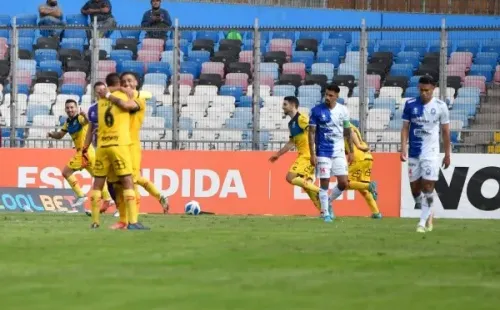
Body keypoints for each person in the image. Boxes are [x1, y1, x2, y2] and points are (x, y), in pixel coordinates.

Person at [83, 80, 145, 230]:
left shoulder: (99, 103)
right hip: (118, 145)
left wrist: (84, 148)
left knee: (97, 184)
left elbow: (92, 128)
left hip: (101, 147)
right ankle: (133, 222)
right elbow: (127, 105)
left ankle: (95, 222)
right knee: (127, 182)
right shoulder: (118, 98)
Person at [401, 76, 451, 233]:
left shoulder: (441, 107)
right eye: (421, 90)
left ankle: (422, 222)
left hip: (431, 153)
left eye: (427, 91)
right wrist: (403, 148)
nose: (424, 93)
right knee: (415, 190)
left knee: (428, 186)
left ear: (433, 89)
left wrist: (447, 154)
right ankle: (429, 210)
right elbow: (405, 128)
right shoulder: (410, 104)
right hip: (414, 152)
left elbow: (445, 132)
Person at [46, 99, 112, 212]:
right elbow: (60, 135)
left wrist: (85, 115)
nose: (70, 109)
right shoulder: (68, 122)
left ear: (76, 108)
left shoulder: (80, 118)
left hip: (84, 152)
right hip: (88, 152)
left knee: (66, 172)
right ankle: (107, 199)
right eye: (67, 108)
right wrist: (52, 134)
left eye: (72, 107)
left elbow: (87, 121)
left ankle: (81, 195)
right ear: (65, 109)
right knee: (97, 177)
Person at [308, 84, 353, 223]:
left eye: (330, 95)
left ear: (337, 96)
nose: (327, 97)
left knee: (344, 183)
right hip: (322, 151)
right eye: (326, 94)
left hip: (339, 151)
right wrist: (312, 154)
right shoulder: (316, 111)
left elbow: (347, 131)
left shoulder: (343, 111)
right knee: (325, 182)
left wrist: (351, 151)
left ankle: (327, 201)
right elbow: (311, 133)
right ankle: (325, 213)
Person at [268, 96, 321, 212]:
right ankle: (324, 211)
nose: (283, 107)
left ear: (293, 105)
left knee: (290, 177)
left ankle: (321, 192)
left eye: (285, 105)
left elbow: (314, 131)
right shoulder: (291, 123)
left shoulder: (301, 119)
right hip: (303, 155)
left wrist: (315, 152)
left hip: (308, 155)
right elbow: (291, 142)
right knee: (306, 187)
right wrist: (278, 154)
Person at [344, 124, 381, 219]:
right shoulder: (353, 126)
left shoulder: (344, 123)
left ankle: (369, 186)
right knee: (363, 190)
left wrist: (358, 145)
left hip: (358, 157)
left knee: (344, 184)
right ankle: (376, 213)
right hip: (367, 157)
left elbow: (350, 131)